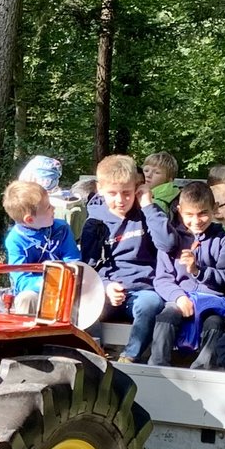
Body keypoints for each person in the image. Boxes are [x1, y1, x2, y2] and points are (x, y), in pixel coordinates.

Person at [80, 155, 175, 363]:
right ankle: (95, 355)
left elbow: (167, 244)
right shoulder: (95, 222)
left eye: (127, 193)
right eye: (112, 194)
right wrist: (105, 286)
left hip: (142, 290)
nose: (120, 200)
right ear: (100, 189)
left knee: (151, 303)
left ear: (137, 188)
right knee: (83, 303)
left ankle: (130, 356)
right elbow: (89, 268)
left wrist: (148, 206)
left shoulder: (147, 214)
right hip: (106, 291)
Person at [159, 182, 225, 368]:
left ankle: (202, 370)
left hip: (212, 303)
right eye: (189, 215)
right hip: (180, 300)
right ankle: (157, 365)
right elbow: (162, 279)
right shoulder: (172, 240)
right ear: (179, 211)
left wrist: (198, 271)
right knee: (167, 316)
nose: (196, 221)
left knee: (214, 323)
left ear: (214, 209)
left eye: (203, 213)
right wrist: (178, 297)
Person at [1, 179, 79, 315]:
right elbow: (20, 279)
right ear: (30, 220)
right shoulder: (15, 240)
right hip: (37, 290)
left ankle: (89, 336)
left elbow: (72, 259)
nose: (53, 208)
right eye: (48, 207)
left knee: (83, 295)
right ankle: (28, 335)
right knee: (26, 298)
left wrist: (68, 276)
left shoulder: (62, 229)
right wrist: (47, 283)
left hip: (65, 287)